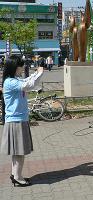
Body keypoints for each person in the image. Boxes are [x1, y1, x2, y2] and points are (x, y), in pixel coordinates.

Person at [0, 56, 44, 187]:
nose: (23, 67)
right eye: (21, 65)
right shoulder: (10, 82)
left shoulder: (14, 80)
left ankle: (15, 175)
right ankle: (18, 178)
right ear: (15, 67)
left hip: (18, 120)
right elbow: (28, 85)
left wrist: (36, 73)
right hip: (16, 121)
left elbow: (26, 80)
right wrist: (40, 73)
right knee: (20, 152)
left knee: (17, 152)